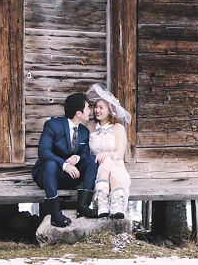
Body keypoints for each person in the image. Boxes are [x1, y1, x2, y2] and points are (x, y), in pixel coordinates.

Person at [31, 92, 99, 227]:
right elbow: (43, 152)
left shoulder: (84, 131)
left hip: (70, 178)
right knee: (50, 163)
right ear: (78, 113)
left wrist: (76, 157)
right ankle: (55, 214)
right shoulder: (52, 125)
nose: (90, 111)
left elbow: (85, 154)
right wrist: (64, 165)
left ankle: (83, 206)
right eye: (87, 108)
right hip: (48, 176)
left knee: (93, 159)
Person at [87, 83, 131, 220]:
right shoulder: (90, 128)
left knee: (112, 170)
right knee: (105, 167)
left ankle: (113, 205)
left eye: (101, 108)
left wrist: (106, 155)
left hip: (115, 163)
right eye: (96, 107)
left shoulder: (118, 128)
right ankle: (103, 203)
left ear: (110, 110)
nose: (97, 110)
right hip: (97, 165)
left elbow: (119, 154)